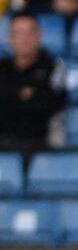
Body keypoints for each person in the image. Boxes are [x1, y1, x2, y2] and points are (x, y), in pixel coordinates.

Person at [0, 12, 67, 167]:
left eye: (29, 32)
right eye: (18, 33)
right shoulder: (2, 68)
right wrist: (24, 96)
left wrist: (11, 97)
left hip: (39, 142)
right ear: (10, 37)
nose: (24, 38)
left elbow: (51, 104)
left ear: (39, 35)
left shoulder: (52, 66)